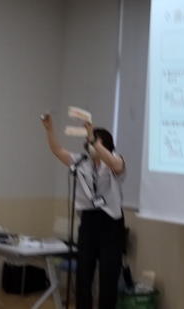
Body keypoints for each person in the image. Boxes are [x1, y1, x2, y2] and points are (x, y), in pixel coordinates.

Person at [41, 114, 125, 309]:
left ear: (106, 145)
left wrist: (94, 139)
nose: (90, 144)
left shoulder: (115, 161)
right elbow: (57, 150)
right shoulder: (81, 162)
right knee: (83, 274)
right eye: (89, 141)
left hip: (111, 224)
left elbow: (116, 165)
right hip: (88, 222)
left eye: (95, 141)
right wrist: (49, 129)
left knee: (108, 276)